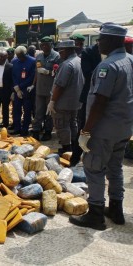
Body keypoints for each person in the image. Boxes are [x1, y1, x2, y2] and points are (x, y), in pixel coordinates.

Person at [70, 23, 133, 230]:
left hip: (104, 129)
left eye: (102, 39)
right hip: (123, 127)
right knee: (115, 167)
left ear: (113, 40)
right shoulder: (130, 61)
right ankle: (116, 209)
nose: (98, 44)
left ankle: (95, 214)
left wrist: (86, 131)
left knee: (94, 168)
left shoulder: (108, 66)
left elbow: (99, 103)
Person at [46, 40, 84, 155]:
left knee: (62, 125)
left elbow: (60, 86)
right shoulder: (79, 61)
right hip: (75, 101)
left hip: (63, 102)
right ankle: (72, 145)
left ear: (67, 50)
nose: (60, 54)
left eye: (61, 51)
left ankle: (66, 148)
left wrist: (52, 101)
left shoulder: (67, 64)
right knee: (72, 123)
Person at [70, 41, 102, 166]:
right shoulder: (88, 52)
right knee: (84, 128)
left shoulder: (116, 56)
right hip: (90, 95)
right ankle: (75, 158)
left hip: (110, 99)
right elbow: (88, 74)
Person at [30, 37, 60, 141]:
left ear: (51, 45)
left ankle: (48, 132)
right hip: (40, 88)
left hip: (51, 89)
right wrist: (33, 84)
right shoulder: (39, 56)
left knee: (49, 113)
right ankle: (36, 131)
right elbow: (36, 72)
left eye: (46, 44)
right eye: (42, 45)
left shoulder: (56, 56)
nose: (44, 46)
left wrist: (48, 71)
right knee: (38, 111)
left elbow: (58, 72)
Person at [11, 46, 36, 136]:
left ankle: (25, 129)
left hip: (27, 90)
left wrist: (21, 87)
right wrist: (16, 88)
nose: (19, 58)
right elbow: (13, 75)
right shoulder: (14, 61)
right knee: (16, 110)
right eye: (18, 56)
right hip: (17, 89)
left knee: (27, 110)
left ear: (25, 54)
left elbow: (32, 77)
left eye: (21, 56)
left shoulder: (32, 61)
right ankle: (17, 128)